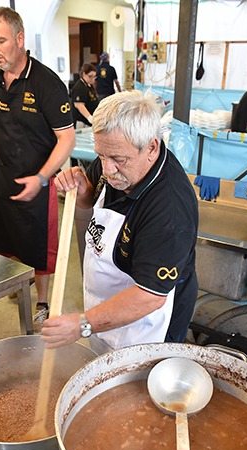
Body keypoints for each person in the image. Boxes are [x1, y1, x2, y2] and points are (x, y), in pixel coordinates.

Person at [41, 90, 198, 356]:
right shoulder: (113, 160)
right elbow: (93, 196)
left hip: (149, 324)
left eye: (118, 160)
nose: (106, 169)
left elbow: (149, 296)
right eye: (101, 156)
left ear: (151, 148)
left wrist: (83, 324)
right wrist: (81, 190)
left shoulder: (170, 209)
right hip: (104, 309)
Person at [0, 6, 75, 330]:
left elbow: (67, 139)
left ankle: (42, 300)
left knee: (38, 245)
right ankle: (22, 280)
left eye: (0, 40)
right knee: (7, 237)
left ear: (19, 38)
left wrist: (42, 178)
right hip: (2, 176)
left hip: (36, 180)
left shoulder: (46, 83)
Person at [71, 63, 99, 128]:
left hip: (90, 121)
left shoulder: (89, 85)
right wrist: (89, 117)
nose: (92, 79)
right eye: (90, 76)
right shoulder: (79, 87)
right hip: (82, 121)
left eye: (94, 76)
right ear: (84, 74)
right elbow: (79, 105)